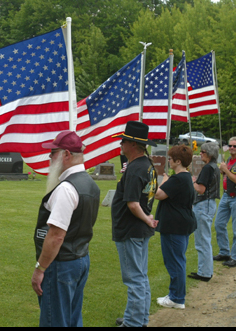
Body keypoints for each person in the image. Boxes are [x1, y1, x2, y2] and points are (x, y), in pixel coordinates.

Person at [31, 130, 100, 327]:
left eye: (53, 153)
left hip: (61, 264)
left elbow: (56, 236)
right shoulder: (90, 184)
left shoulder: (66, 189)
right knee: (72, 318)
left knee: (55, 320)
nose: (50, 157)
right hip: (80, 257)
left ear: (66, 155)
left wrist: (40, 268)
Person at [110, 121, 159, 328]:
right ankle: (139, 317)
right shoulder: (145, 164)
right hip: (138, 229)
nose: (120, 144)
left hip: (131, 229)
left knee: (134, 279)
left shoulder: (136, 168)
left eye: (123, 141)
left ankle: (133, 323)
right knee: (140, 276)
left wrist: (147, 218)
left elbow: (132, 203)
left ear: (132, 144)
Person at [154, 145, 197, 309]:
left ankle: (177, 298)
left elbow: (159, 195)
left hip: (174, 226)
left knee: (175, 262)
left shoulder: (177, 179)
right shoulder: (186, 177)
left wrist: (163, 181)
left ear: (178, 161)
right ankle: (174, 294)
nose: (169, 161)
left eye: (171, 159)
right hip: (180, 224)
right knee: (177, 260)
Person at [213, 137, 236, 268]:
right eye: (230, 146)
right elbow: (227, 175)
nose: (232, 148)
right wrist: (222, 170)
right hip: (226, 195)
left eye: (235, 146)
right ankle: (224, 252)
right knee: (219, 224)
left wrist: (226, 170)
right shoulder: (229, 160)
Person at [189, 141, 220, 282]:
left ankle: (205, 272)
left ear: (210, 154)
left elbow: (201, 189)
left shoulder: (208, 168)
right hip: (209, 203)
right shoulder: (214, 167)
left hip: (203, 204)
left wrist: (192, 181)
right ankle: (205, 270)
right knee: (204, 239)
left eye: (203, 152)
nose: (200, 153)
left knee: (202, 240)